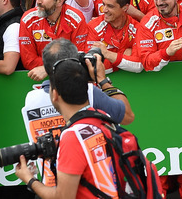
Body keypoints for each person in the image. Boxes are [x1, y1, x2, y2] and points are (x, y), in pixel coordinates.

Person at [14, 57, 130, 199]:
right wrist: (102, 79)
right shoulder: (102, 118)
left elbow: (63, 197)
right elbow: (125, 111)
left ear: (55, 95)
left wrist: (29, 179)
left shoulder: (72, 137)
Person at [19, 0, 91, 80]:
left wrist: (47, 68)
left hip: (70, 79)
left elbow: (79, 56)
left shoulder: (76, 19)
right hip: (37, 80)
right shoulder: (28, 19)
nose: (38, 1)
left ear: (60, 1)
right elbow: (28, 60)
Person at [87, 0, 144, 73]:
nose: (104, 10)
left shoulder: (137, 28)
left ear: (125, 8)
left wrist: (106, 54)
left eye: (110, 6)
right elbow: (91, 67)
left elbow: (139, 65)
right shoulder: (93, 27)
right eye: (103, 4)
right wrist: (123, 57)